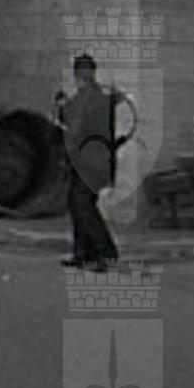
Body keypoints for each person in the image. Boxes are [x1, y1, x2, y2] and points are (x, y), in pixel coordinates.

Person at [55, 53, 120, 272]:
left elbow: (74, 127)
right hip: (100, 161)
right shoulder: (101, 97)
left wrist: (66, 154)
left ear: (77, 75)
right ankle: (83, 253)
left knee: (82, 206)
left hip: (85, 162)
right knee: (80, 204)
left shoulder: (84, 98)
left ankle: (104, 252)